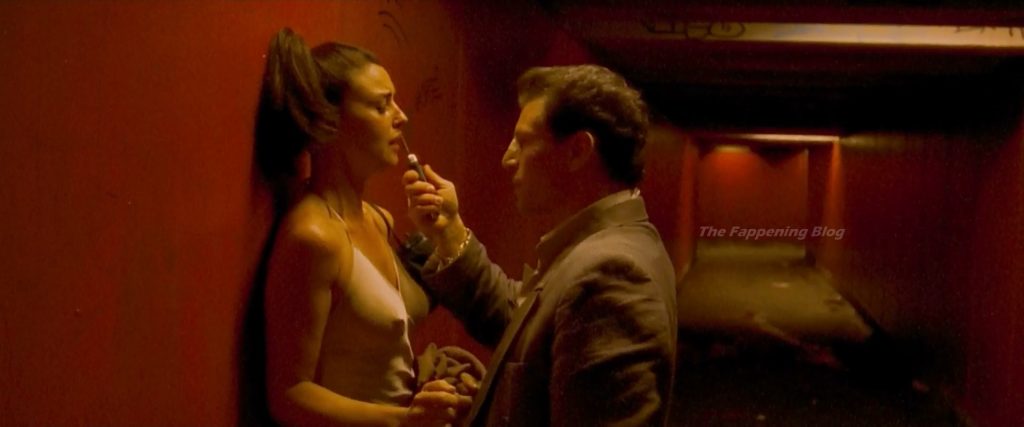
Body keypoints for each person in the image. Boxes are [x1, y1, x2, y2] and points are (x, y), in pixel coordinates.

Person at [403, 65, 678, 427]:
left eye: (523, 141)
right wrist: (449, 231)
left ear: (577, 151)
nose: (508, 158)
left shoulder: (612, 274)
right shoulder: (607, 245)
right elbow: (524, 322)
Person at [256, 28, 467, 427]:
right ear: (331, 120)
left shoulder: (378, 218)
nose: (401, 116)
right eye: (381, 105)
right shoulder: (314, 236)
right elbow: (289, 394)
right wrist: (404, 420)